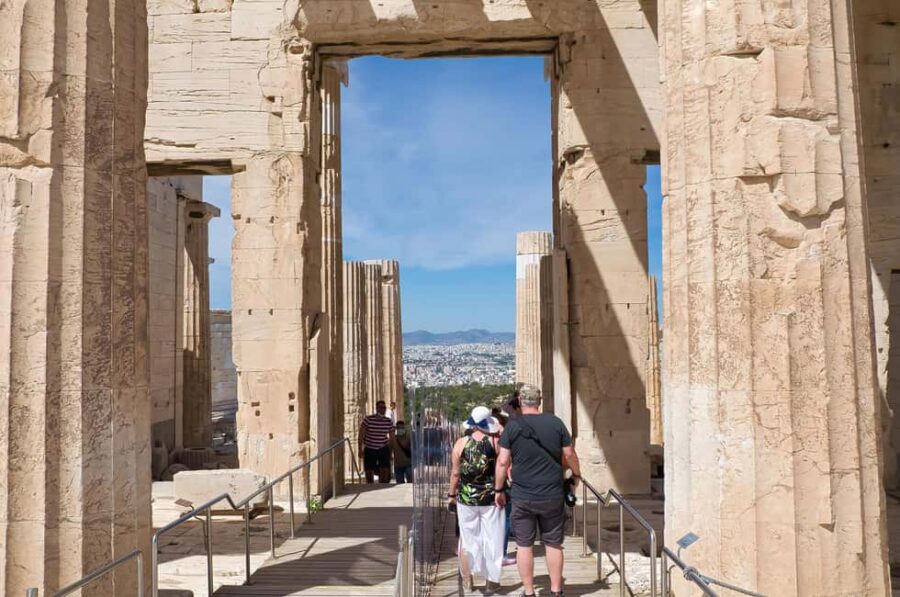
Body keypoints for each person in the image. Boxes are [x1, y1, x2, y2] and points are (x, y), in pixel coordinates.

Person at [494, 384, 581, 597]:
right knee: (553, 544)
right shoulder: (556, 423)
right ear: (539, 401)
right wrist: (576, 475)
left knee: (524, 545)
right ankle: (556, 590)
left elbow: (503, 461)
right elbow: (569, 454)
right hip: (552, 493)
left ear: (520, 402)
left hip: (523, 495)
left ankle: (529, 591)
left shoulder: (512, 427)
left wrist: (499, 489)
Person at [448, 406, 506, 595]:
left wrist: (451, 495)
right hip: (491, 498)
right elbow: (503, 465)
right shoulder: (496, 442)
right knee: (493, 539)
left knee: (467, 539)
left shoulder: (460, 443)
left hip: (466, 498)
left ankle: (467, 580)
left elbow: (455, 473)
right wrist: (500, 489)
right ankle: (491, 582)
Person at [359, 400, 394, 483]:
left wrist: (390, 451)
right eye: (381, 407)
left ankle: (383, 486)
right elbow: (361, 435)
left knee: (385, 469)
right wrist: (360, 449)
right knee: (369, 470)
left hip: (383, 447)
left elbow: (392, 438)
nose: (383, 409)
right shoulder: (368, 419)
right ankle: (370, 486)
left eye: (384, 408)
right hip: (370, 447)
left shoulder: (388, 421)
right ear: (377, 408)